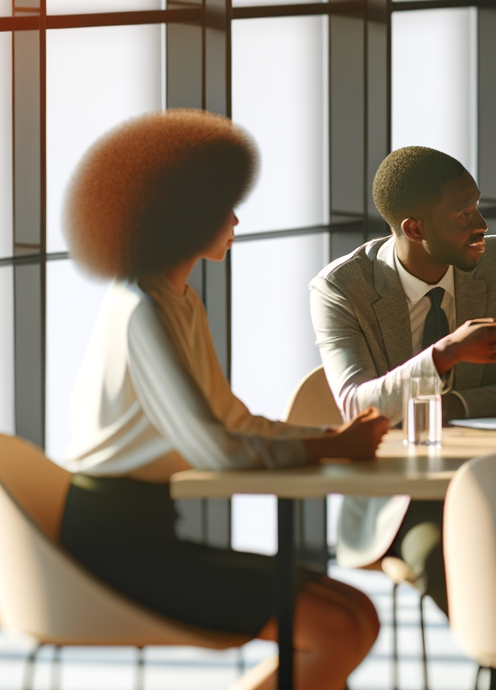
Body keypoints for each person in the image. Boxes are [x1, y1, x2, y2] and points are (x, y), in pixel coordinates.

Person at [57, 110, 389, 690]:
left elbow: (230, 419)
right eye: (221, 208)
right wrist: (322, 450)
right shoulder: (142, 309)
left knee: (359, 616)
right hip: (113, 547)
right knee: (334, 628)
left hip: (150, 528)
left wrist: (327, 442)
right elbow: (212, 445)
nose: (235, 220)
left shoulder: (177, 299)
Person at [309, 145, 496, 621]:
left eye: (478, 206)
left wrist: (448, 406)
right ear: (414, 228)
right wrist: (445, 355)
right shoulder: (343, 289)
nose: (481, 224)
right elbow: (357, 407)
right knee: (452, 562)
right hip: (406, 499)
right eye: (463, 214)